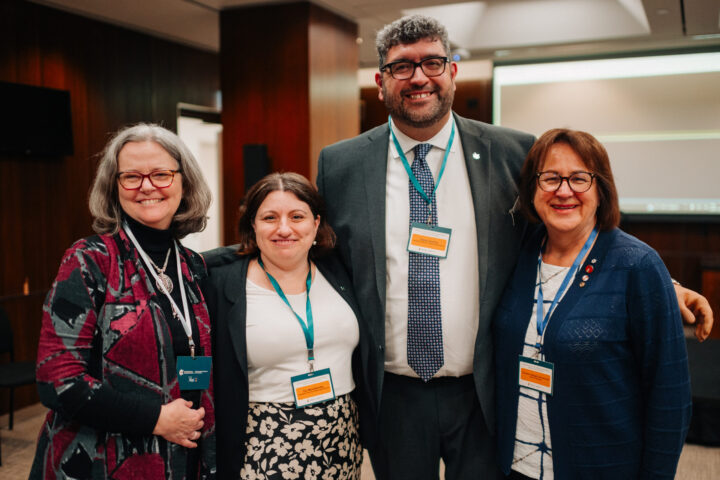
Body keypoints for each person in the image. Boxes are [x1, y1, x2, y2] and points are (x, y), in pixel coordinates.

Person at [316, 14, 711, 480]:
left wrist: (664, 285)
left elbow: (562, 233)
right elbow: (326, 263)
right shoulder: (340, 164)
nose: (419, 77)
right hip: (394, 393)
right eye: (402, 66)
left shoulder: (511, 151)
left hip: (485, 389)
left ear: (453, 73)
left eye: (433, 63)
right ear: (381, 80)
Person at [493, 128, 692, 479]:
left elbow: (669, 397)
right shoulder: (519, 253)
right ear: (532, 190)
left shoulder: (638, 266)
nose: (564, 190)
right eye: (550, 178)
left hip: (601, 468)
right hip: (515, 467)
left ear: (601, 190)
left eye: (579, 179)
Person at [30, 123, 216, 480]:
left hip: (181, 458)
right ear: (114, 189)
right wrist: (157, 419)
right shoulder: (90, 260)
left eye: (161, 174)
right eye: (131, 177)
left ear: (184, 182)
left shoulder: (193, 266)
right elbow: (57, 380)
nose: (147, 186)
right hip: (99, 462)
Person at [202, 172, 368, 480]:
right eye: (269, 217)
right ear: (252, 225)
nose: (284, 228)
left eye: (297, 216)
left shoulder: (339, 270)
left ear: (317, 223)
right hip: (264, 437)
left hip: (340, 435)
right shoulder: (222, 283)